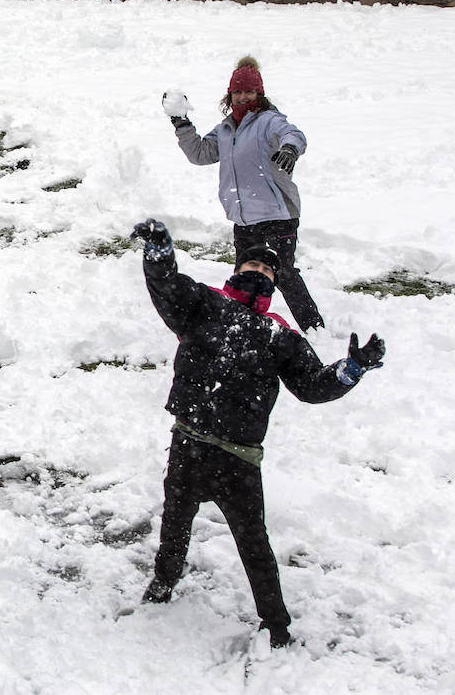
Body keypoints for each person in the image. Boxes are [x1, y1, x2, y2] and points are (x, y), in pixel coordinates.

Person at [130, 217, 385, 647]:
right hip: (189, 440)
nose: (259, 271)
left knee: (255, 545)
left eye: (269, 270)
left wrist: (351, 370)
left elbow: (311, 386)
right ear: (237, 269)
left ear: (274, 284)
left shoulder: (280, 335)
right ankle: (163, 581)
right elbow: (166, 285)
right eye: (253, 265)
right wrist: (158, 250)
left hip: (238, 456)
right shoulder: (204, 305)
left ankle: (276, 624)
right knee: (175, 522)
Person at [164, 56, 325, 331]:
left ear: (259, 93)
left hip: (277, 214)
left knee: (283, 274)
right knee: (244, 276)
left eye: (248, 92)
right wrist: (181, 123)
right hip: (243, 218)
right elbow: (200, 154)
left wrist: (289, 149)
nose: (242, 97)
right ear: (230, 95)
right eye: (237, 92)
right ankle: (240, 328)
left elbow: (293, 134)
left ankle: (314, 329)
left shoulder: (269, 121)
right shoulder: (226, 129)